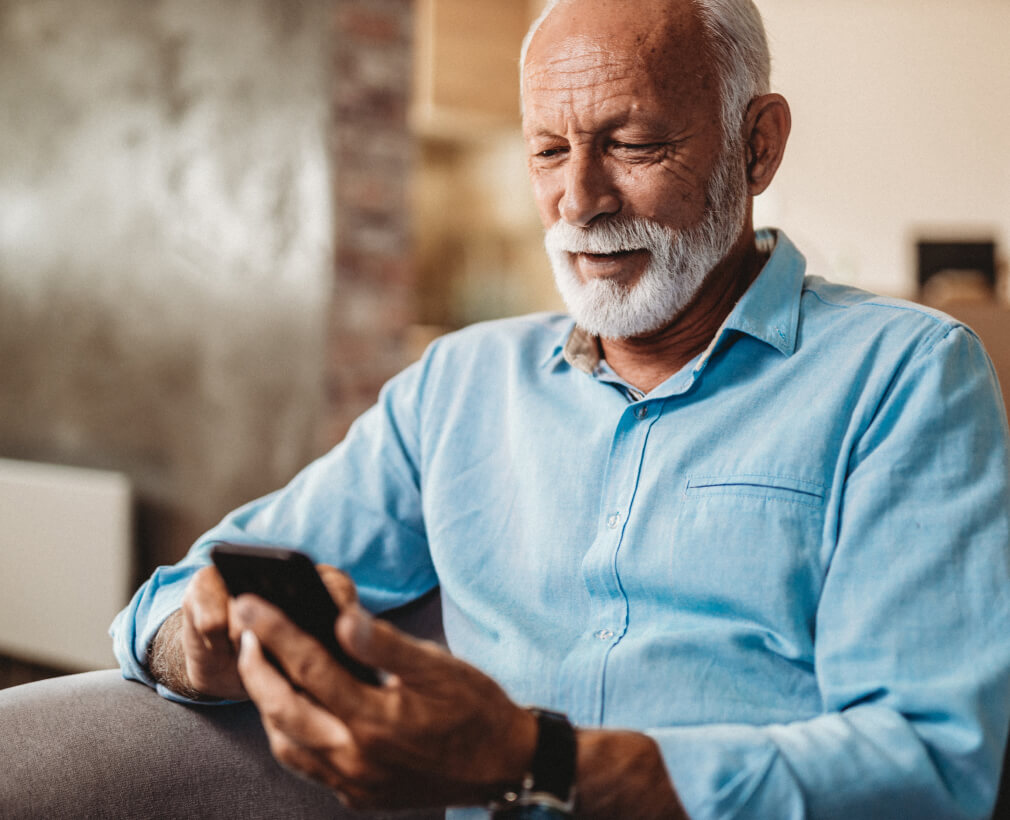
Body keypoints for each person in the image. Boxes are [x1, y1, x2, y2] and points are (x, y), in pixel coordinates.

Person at [111, 0, 1010, 817]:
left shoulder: (907, 374)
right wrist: (206, 641)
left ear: (758, 144)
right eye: (548, 150)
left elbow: (927, 767)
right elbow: (170, 602)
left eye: (635, 143)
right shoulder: (457, 385)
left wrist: (535, 759)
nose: (578, 200)